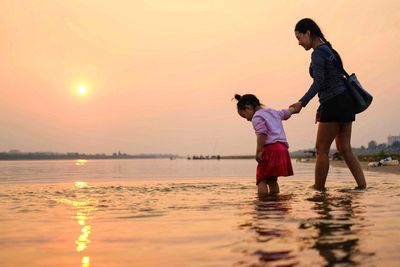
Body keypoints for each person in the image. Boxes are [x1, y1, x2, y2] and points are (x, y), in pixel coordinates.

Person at [290, 18, 367, 190]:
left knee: (321, 150)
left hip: (333, 103)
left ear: (308, 33)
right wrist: (320, 107)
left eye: (299, 38)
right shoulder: (331, 50)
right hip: (346, 101)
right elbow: (333, 81)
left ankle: (319, 191)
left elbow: (319, 82)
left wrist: (302, 103)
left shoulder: (317, 53)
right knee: (344, 148)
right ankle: (362, 186)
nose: (299, 43)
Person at [234, 94, 295, 194]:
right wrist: (294, 108)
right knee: (272, 179)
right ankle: (275, 203)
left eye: (244, 116)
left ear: (248, 108)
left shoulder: (257, 117)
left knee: (261, 179)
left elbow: (262, 133)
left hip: (270, 149)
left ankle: (263, 205)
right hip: (282, 149)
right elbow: (286, 113)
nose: (247, 119)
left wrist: (259, 151)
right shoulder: (273, 112)